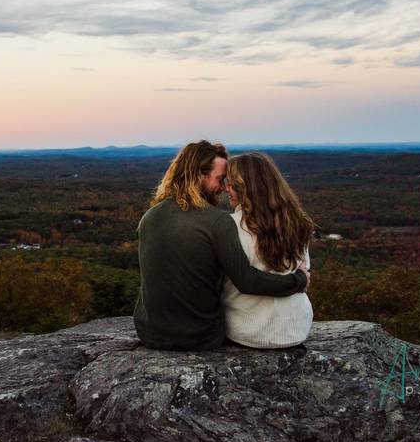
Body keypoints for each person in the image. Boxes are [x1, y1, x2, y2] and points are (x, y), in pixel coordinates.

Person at [133, 141, 310, 350]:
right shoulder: (218, 221)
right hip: (201, 337)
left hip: (149, 332)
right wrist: (298, 280)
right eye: (220, 179)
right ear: (199, 175)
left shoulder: (149, 216)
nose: (223, 188)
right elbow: (247, 281)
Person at [221, 152, 314, 348]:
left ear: (245, 187)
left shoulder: (229, 226)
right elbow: (304, 271)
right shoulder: (299, 223)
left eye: (230, 183)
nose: (225, 188)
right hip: (295, 328)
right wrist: (299, 279)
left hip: (246, 331)